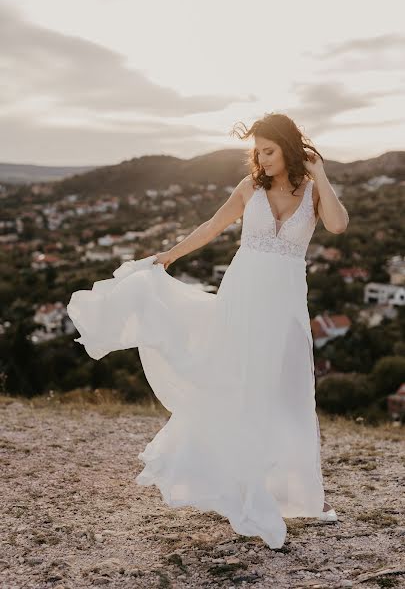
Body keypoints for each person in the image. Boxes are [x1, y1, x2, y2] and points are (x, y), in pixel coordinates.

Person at [67, 111, 349, 549]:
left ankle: (296, 495)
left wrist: (322, 175)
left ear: (290, 148)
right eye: (258, 151)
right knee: (235, 387)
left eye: (270, 150)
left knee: (288, 394)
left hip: (285, 307)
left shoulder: (314, 192)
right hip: (241, 298)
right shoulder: (249, 187)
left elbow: (338, 224)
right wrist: (169, 256)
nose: (262, 158)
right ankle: (243, 487)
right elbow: (211, 228)